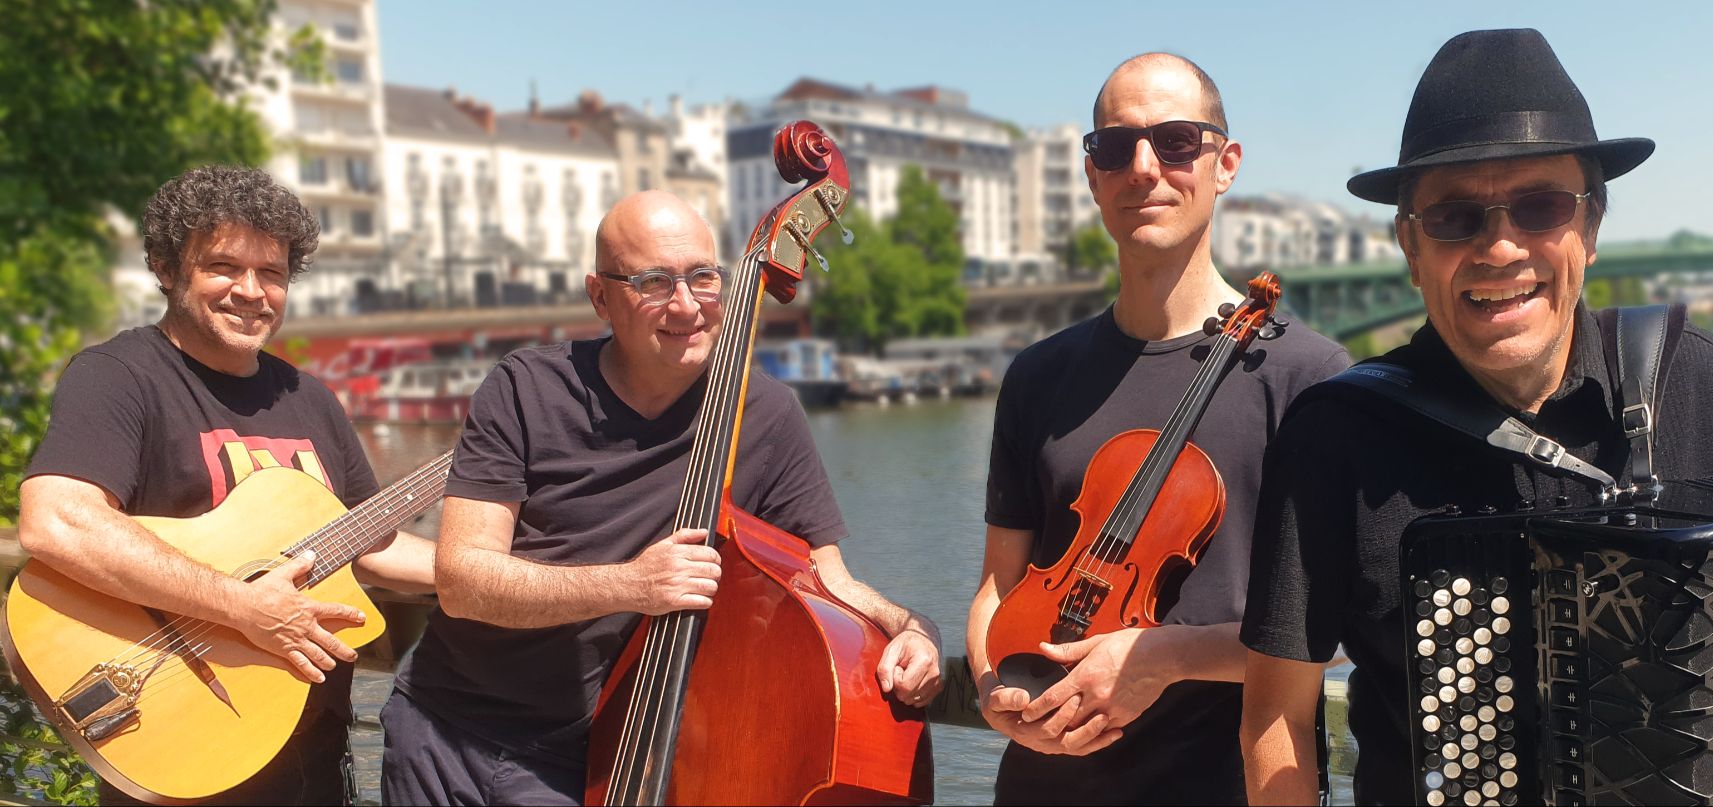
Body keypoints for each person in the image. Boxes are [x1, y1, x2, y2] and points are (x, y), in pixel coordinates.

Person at [1237, 29, 1713, 805]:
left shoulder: (1686, 375)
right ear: (1410, 247)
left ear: (1592, 226)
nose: (1501, 247)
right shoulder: (1337, 434)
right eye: (1454, 218)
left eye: (1541, 206)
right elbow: (1274, 713)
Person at [378, 190, 944, 805]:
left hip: (595, 757)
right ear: (600, 297)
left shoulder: (767, 416)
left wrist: (910, 627)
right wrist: (632, 585)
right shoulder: (525, 388)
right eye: (654, 282)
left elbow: (826, 581)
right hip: (445, 731)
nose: (686, 305)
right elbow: (462, 580)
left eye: (703, 277)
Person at [966, 53, 1351, 805]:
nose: (1143, 168)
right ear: (1091, 175)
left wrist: (1165, 655)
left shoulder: (1308, 377)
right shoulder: (1037, 375)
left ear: (1225, 162)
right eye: (1115, 147)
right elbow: (996, 586)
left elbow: (1329, 638)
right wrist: (990, 688)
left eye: (1176, 141)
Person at [18, 165, 437, 805]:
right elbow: (56, 520)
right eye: (222, 267)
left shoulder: (310, 397)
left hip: (311, 752)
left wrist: (511, 569)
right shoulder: (120, 375)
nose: (251, 291)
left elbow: (369, 543)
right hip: (183, 738)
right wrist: (241, 606)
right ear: (165, 267)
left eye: (271, 273)